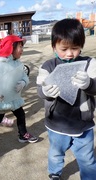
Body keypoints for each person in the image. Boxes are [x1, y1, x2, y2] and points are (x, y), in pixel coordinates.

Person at [36, 18, 96, 180]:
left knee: (87, 159)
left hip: (83, 124)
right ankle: (54, 173)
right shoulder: (47, 66)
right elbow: (40, 90)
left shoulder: (89, 64)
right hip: (57, 123)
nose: (69, 53)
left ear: (81, 46)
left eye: (75, 48)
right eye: (64, 48)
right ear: (54, 46)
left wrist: (89, 83)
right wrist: (46, 91)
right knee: (56, 153)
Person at [0, 35, 38, 146]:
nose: (22, 50)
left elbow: (24, 76)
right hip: (1, 98)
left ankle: (23, 134)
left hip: (14, 98)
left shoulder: (17, 63)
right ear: (11, 47)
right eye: (20, 47)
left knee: (20, 115)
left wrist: (23, 83)